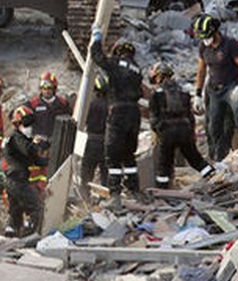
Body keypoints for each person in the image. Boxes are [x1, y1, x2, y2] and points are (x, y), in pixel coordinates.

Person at [192, 14, 238, 161]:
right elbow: (201, 70)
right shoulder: (204, 47)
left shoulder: (230, 45)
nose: (205, 39)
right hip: (214, 89)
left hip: (231, 86)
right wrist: (197, 94)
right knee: (213, 125)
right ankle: (216, 157)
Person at [90, 33, 147, 194]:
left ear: (117, 51)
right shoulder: (137, 69)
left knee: (112, 153)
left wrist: (97, 40)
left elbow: (98, 57)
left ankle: (114, 193)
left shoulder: (115, 63)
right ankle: (134, 189)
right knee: (129, 154)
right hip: (134, 114)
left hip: (119, 112)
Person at [148, 63, 215, 189]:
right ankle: (214, 177)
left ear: (158, 77)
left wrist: (158, 132)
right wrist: (192, 133)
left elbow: (153, 119)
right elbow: (190, 116)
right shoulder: (184, 91)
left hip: (167, 133)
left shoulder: (156, 94)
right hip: (185, 131)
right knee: (195, 159)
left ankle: (161, 194)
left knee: (164, 166)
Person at [0, 105, 50, 236]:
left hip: (13, 181)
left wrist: (47, 160)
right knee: (36, 207)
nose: (30, 127)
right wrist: (36, 144)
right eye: (27, 123)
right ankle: (30, 234)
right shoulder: (16, 138)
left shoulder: (20, 138)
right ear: (18, 123)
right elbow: (27, 150)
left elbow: (34, 159)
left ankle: (12, 236)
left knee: (16, 211)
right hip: (17, 181)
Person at [79, 75, 109, 198]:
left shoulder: (88, 103)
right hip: (105, 142)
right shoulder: (111, 105)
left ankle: (84, 197)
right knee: (105, 173)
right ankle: (105, 197)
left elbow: (81, 121)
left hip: (90, 141)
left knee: (87, 172)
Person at [27, 71, 73, 142]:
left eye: (49, 87)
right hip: (39, 143)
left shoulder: (63, 103)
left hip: (57, 141)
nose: (46, 91)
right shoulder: (33, 104)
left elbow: (71, 120)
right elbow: (18, 116)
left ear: (54, 88)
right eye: (44, 88)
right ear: (40, 88)